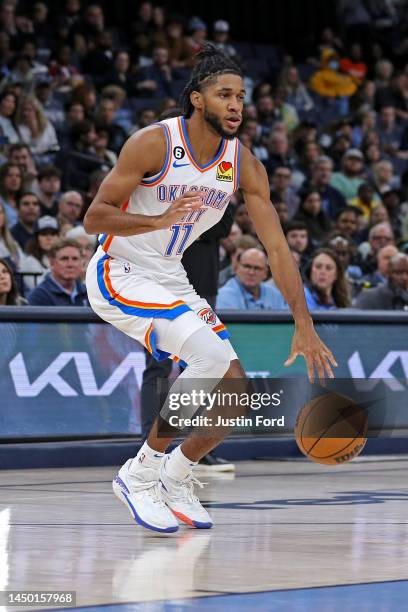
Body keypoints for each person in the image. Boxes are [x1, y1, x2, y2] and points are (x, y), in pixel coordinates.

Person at [83, 45, 335, 534]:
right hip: (120, 269)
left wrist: (303, 322)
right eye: (225, 95)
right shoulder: (154, 143)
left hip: (171, 275)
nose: (237, 105)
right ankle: (140, 473)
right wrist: (155, 219)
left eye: (241, 96)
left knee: (235, 389)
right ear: (197, 99)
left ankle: (177, 476)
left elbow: (279, 251)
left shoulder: (242, 164)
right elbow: (95, 216)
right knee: (208, 358)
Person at [216, 248, 288, 310]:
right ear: (236, 268)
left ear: (265, 273)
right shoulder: (223, 296)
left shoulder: (275, 294)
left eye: (257, 268)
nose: (251, 272)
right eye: (246, 266)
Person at [27, 238, 88, 306]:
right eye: (64, 259)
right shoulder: (39, 296)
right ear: (51, 262)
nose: (70, 264)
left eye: (75, 259)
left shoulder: (89, 293)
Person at [19, 215, 59, 291]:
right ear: (36, 238)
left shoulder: (63, 258)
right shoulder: (29, 262)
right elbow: (39, 289)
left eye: (53, 234)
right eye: (44, 234)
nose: (49, 238)